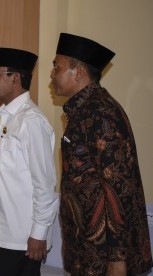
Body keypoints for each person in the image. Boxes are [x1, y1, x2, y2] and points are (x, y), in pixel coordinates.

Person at [51, 32, 153, 275]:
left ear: (77, 72)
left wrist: (117, 261)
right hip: (86, 252)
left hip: (105, 259)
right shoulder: (84, 110)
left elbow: (118, 188)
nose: (51, 74)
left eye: (57, 67)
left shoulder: (101, 114)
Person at [0, 47, 59, 275]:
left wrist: (38, 234)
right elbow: (8, 174)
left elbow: (45, 185)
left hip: (24, 237)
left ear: (15, 78)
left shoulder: (31, 121)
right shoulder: (8, 118)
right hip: (7, 232)